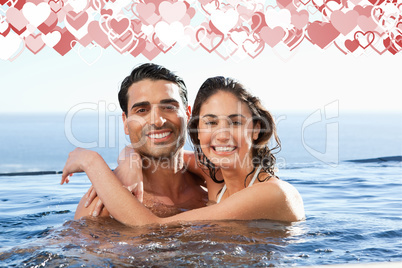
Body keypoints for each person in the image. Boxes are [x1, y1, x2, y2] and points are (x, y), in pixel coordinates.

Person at [63, 76, 305, 225]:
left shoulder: (273, 193)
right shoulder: (214, 174)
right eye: (211, 122)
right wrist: (130, 160)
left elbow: (150, 225)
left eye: (235, 122)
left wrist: (91, 161)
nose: (222, 134)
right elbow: (175, 160)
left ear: (255, 129)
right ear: (198, 128)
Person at [73, 63, 208, 219]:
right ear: (125, 121)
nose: (158, 121)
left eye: (169, 107)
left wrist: (130, 158)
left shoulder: (216, 185)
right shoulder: (103, 206)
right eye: (142, 110)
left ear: (187, 114)